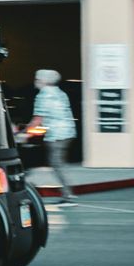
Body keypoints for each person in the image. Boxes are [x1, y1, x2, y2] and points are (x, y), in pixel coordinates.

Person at [24, 69, 77, 204]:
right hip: (68, 132)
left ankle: (68, 195)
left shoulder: (43, 95)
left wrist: (24, 133)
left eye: (37, 79)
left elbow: (38, 119)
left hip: (56, 135)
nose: (35, 82)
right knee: (57, 163)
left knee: (56, 164)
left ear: (43, 81)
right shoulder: (60, 93)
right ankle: (67, 193)